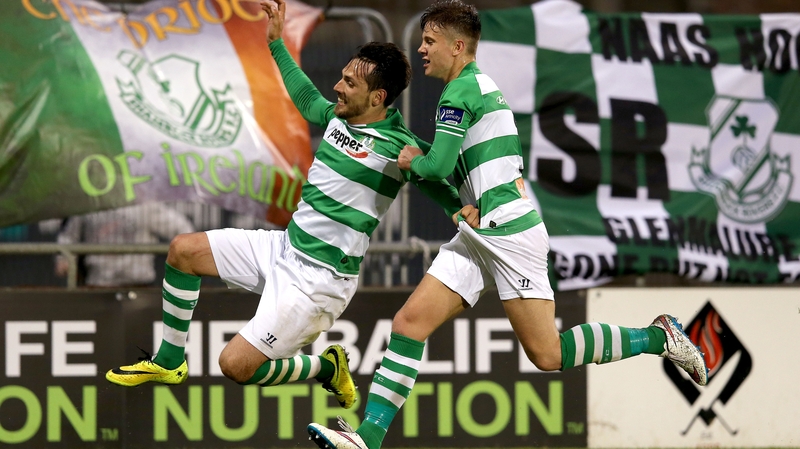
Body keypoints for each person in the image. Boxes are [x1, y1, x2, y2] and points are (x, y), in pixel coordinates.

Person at [307, 0, 708, 446]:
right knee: (408, 324)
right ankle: (369, 438)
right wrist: (458, 196)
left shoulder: (460, 91)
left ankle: (659, 337)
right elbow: (461, 167)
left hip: (509, 231)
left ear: (458, 46)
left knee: (547, 354)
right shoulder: (470, 86)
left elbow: (436, 167)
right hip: (482, 229)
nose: (421, 49)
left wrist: (414, 159)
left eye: (429, 41)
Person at [104, 0, 478, 411]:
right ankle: (170, 361)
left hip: (319, 282)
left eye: (350, 83)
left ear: (378, 97)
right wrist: (277, 42)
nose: (337, 87)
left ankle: (326, 368)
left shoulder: (399, 148)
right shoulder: (339, 117)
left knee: (235, 365)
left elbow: (442, 182)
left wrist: (462, 209)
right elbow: (304, 97)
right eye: (342, 77)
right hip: (283, 248)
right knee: (183, 251)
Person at [55, 203, 195, 287]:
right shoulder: (88, 204)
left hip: (139, 285)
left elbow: (183, 229)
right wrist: (63, 259)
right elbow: (68, 237)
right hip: (99, 285)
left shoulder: (144, 205)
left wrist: (183, 258)